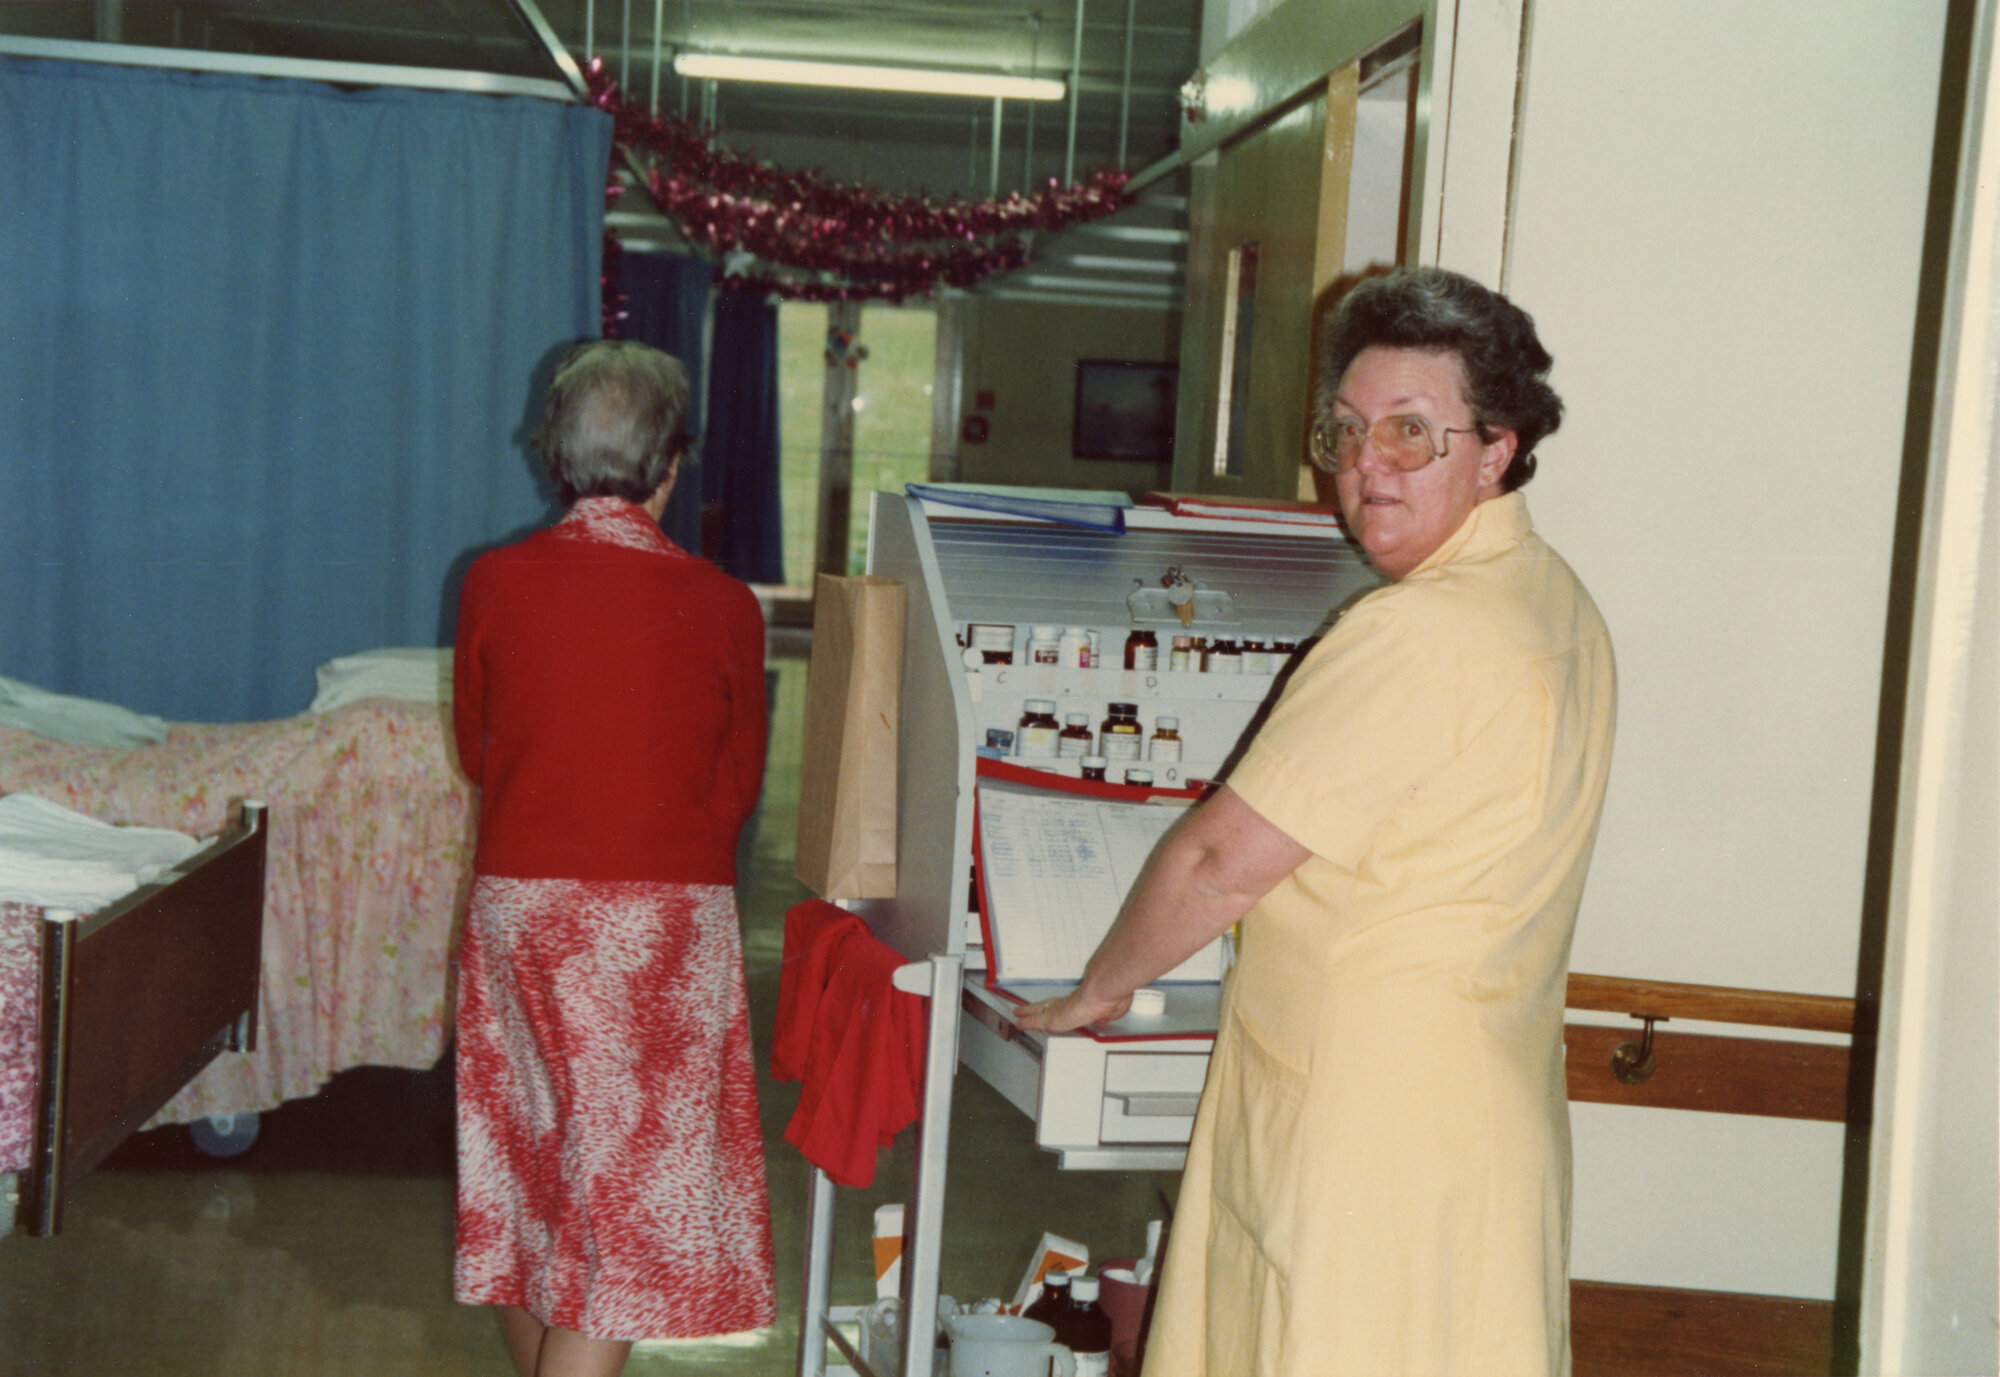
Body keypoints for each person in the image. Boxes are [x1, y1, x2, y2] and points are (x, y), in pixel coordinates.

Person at [1017, 267, 1616, 1376]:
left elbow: (1215, 862)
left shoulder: (1421, 631)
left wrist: (1097, 989)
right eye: (1343, 431)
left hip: (1366, 1132)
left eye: (1407, 433)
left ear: (1496, 448)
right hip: (1471, 1118)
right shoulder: (1553, 603)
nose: (1361, 467)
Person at [451, 340, 775, 1377]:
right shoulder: (724, 605)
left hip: (521, 911)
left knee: (526, 1165)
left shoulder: (493, 582)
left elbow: (477, 745)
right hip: (658, 926)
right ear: (671, 464)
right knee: (626, 1199)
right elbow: (738, 780)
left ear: (553, 456)